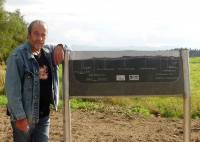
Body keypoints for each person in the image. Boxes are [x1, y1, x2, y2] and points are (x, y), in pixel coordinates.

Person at [5, 20, 65, 142]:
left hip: (44, 117)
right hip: (25, 117)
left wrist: (61, 46)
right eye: (36, 34)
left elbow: (67, 48)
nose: (40, 38)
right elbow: (12, 91)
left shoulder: (48, 52)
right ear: (29, 35)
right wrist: (20, 118)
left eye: (43, 35)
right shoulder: (17, 56)